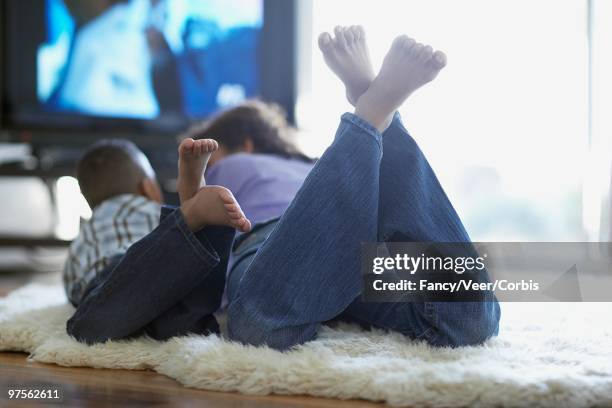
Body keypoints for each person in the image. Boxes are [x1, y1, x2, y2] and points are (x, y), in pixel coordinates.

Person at [67, 26, 500, 349]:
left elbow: (188, 275)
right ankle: (377, 117)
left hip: (279, 242)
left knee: (259, 324)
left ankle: (371, 114)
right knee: (469, 316)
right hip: (350, 253)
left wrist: (191, 202)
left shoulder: (236, 164)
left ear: (247, 144)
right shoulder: (326, 165)